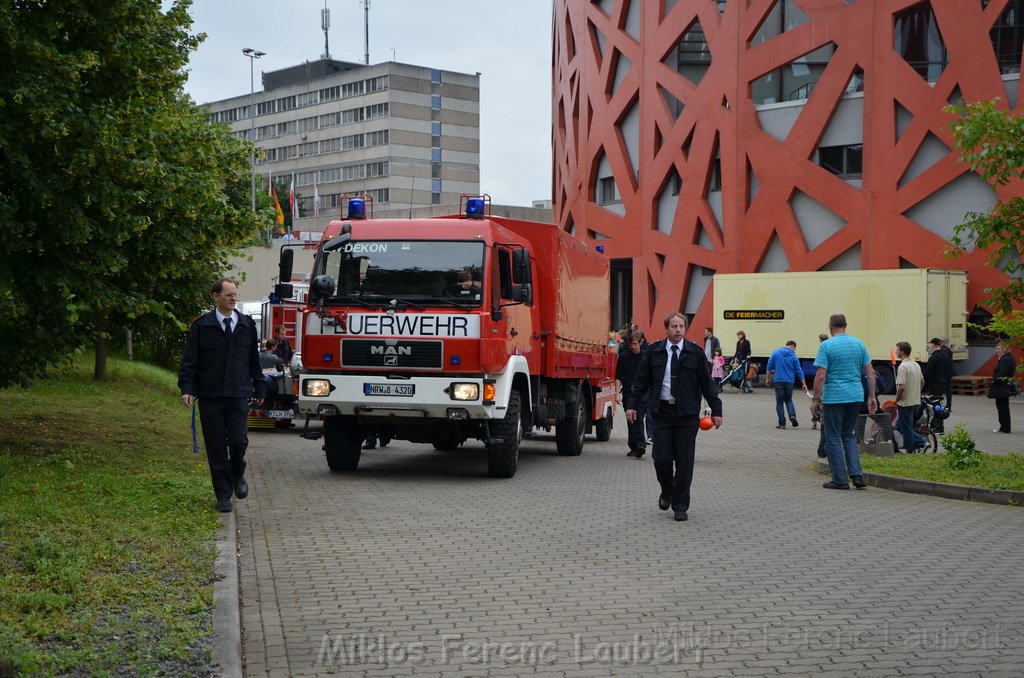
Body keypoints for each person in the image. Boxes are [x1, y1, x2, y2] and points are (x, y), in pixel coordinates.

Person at [626, 312, 723, 522]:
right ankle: (667, 490)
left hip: (686, 414)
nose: (678, 330)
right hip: (661, 413)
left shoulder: (695, 353)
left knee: (684, 461)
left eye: (681, 326)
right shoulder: (654, 351)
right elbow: (641, 380)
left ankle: (680, 504)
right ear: (666, 329)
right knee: (661, 458)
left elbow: (707, 384)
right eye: (674, 326)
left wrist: (716, 410)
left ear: (685, 328)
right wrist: (632, 404)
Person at [178, 278, 265, 513]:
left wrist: (260, 385)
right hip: (211, 395)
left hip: (238, 393)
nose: (233, 298)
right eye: (228, 295)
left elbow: (253, 361)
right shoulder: (202, 325)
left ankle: (237, 474)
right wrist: (187, 388)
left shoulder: (246, 325)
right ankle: (223, 495)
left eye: (235, 294)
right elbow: (190, 361)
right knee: (216, 447)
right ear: (216, 296)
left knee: (238, 441)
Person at [810, 314, 876, 490]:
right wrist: (872, 396)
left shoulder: (826, 346)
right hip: (855, 395)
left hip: (834, 397)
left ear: (830, 326)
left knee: (832, 436)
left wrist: (815, 399)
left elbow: (821, 375)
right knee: (849, 434)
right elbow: (870, 372)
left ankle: (839, 479)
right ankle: (857, 475)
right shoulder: (859, 344)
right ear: (846, 325)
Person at [616, 332, 648, 458]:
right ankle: (633, 446)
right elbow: (618, 376)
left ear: (641, 343)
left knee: (638, 417)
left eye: (635, 344)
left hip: (643, 393)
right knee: (630, 419)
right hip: (629, 392)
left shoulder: (646, 357)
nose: (632, 346)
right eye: (630, 344)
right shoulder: (623, 357)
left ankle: (640, 445)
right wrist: (617, 393)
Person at [894, 341, 928, 453]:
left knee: (907, 429)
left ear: (902, 351)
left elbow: (902, 387)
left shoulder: (903, 367)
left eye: (897, 350)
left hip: (905, 403)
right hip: (915, 402)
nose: (896, 352)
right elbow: (922, 381)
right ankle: (917, 444)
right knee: (900, 426)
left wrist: (897, 399)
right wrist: (917, 392)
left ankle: (916, 446)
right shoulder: (916, 364)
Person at [766, 340, 806, 429]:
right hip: (790, 381)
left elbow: (769, 367)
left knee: (779, 402)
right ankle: (792, 416)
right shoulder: (794, 356)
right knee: (788, 400)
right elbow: (799, 370)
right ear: (793, 346)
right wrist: (804, 383)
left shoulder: (776, 353)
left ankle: (782, 423)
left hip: (778, 381)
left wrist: (768, 378)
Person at [922, 337, 952, 433]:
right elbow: (949, 369)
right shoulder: (945, 355)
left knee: (934, 404)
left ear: (934, 345)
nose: (929, 346)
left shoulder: (934, 357)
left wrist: (922, 379)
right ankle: (939, 425)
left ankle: (937, 426)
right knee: (938, 403)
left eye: (930, 344)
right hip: (942, 382)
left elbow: (928, 372)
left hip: (934, 383)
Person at [989, 341, 1017, 434]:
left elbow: (1002, 374)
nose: (997, 351)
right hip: (1005, 385)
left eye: (998, 349)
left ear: (1004, 349)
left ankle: (1004, 428)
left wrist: (994, 381)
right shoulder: (1009, 358)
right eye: (996, 349)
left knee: (1002, 407)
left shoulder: (1004, 359)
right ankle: (1004, 427)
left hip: (1001, 387)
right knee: (1003, 407)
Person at [810, 332, 829, 431]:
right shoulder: (831, 345)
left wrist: (815, 398)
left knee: (817, 405)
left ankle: (817, 423)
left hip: (824, 386)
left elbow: (820, 376)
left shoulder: (823, 346)